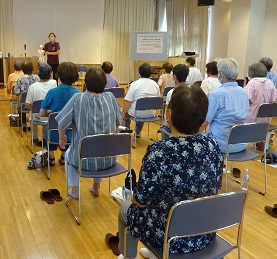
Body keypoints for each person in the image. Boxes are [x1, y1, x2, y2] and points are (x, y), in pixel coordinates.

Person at [111, 85, 224, 259]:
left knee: (126, 208)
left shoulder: (160, 151)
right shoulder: (213, 145)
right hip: (203, 231)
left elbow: (140, 200)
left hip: (166, 235)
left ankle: (128, 256)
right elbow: (215, 185)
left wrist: (131, 198)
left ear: (168, 115)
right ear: (203, 120)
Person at [56, 68, 122, 198]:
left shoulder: (78, 99)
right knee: (100, 146)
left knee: (69, 154)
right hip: (108, 159)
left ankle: (74, 191)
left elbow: (61, 123)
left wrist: (62, 138)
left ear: (85, 82)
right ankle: (96, 187)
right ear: (104, 83)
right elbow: (118, 122)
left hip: (82, 161)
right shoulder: (110, 97)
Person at [200, 58, 249, 153]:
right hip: (241, 143)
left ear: (220, 74)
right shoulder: (244, 93)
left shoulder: (216, 95)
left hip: (220, 144)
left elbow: (205, 123)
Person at [40, 62, 80, 166]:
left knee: (48, 131)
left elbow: (42, 113)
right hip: (72, 135)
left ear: (58, 75)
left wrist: (51, 113)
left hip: (53, 133)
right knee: (67, 131)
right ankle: (63, 156)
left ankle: (51, 157)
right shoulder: (79, 94)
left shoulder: (52, 92)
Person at [245, 62, 277, 151]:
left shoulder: (252, 83)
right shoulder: (270, 82)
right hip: (266, 117)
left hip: (252, 117)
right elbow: (274, 100)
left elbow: (246, 100)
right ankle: (260, 142)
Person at [122, 63, 160, 138]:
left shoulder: (135, 84)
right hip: (151, 113)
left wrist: (123, 113)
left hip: (137, 113)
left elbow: (128, 101)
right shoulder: (155, 84)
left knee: (125, 113)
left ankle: (126, 133)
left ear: (139, 73)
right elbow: (158, 99)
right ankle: (138, 132)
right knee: (142, 108)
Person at [25, 63, 57, 143]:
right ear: (50, 74)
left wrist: (35, 109)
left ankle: (34, 137)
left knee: (32, 113)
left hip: (36, 116)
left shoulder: (33, 87)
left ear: (38, 73)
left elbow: (27, 104)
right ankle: (44, 137)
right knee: (47, 115)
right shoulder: (54, 83)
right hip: (50, 115)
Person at [159, 64, 190, 139]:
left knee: (164, 127)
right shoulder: (192, 91)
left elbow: (168, 115)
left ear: (175, 77)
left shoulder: (171, 93)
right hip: (190, 123)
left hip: (176, 125)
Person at [13, 61, 40, 131]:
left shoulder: (20, 78)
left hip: (24, 104)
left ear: (23, 70)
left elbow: (16, 91)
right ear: (33, 69)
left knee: (21, 103)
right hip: (36, 104)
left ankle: (24, 125)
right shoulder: (37, 77)